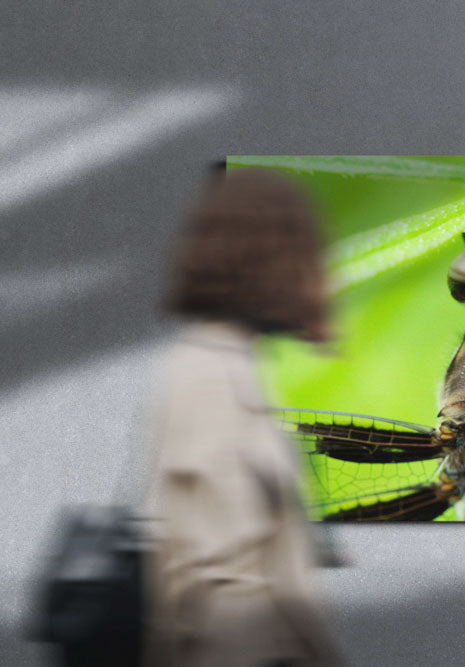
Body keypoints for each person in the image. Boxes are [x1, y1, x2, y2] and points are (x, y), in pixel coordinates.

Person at [145, 167, 340, 666]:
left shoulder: (234, 365)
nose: (326, 274)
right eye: (310, 255)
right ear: (270, 262)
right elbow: (215, 579)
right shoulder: (210, 375)